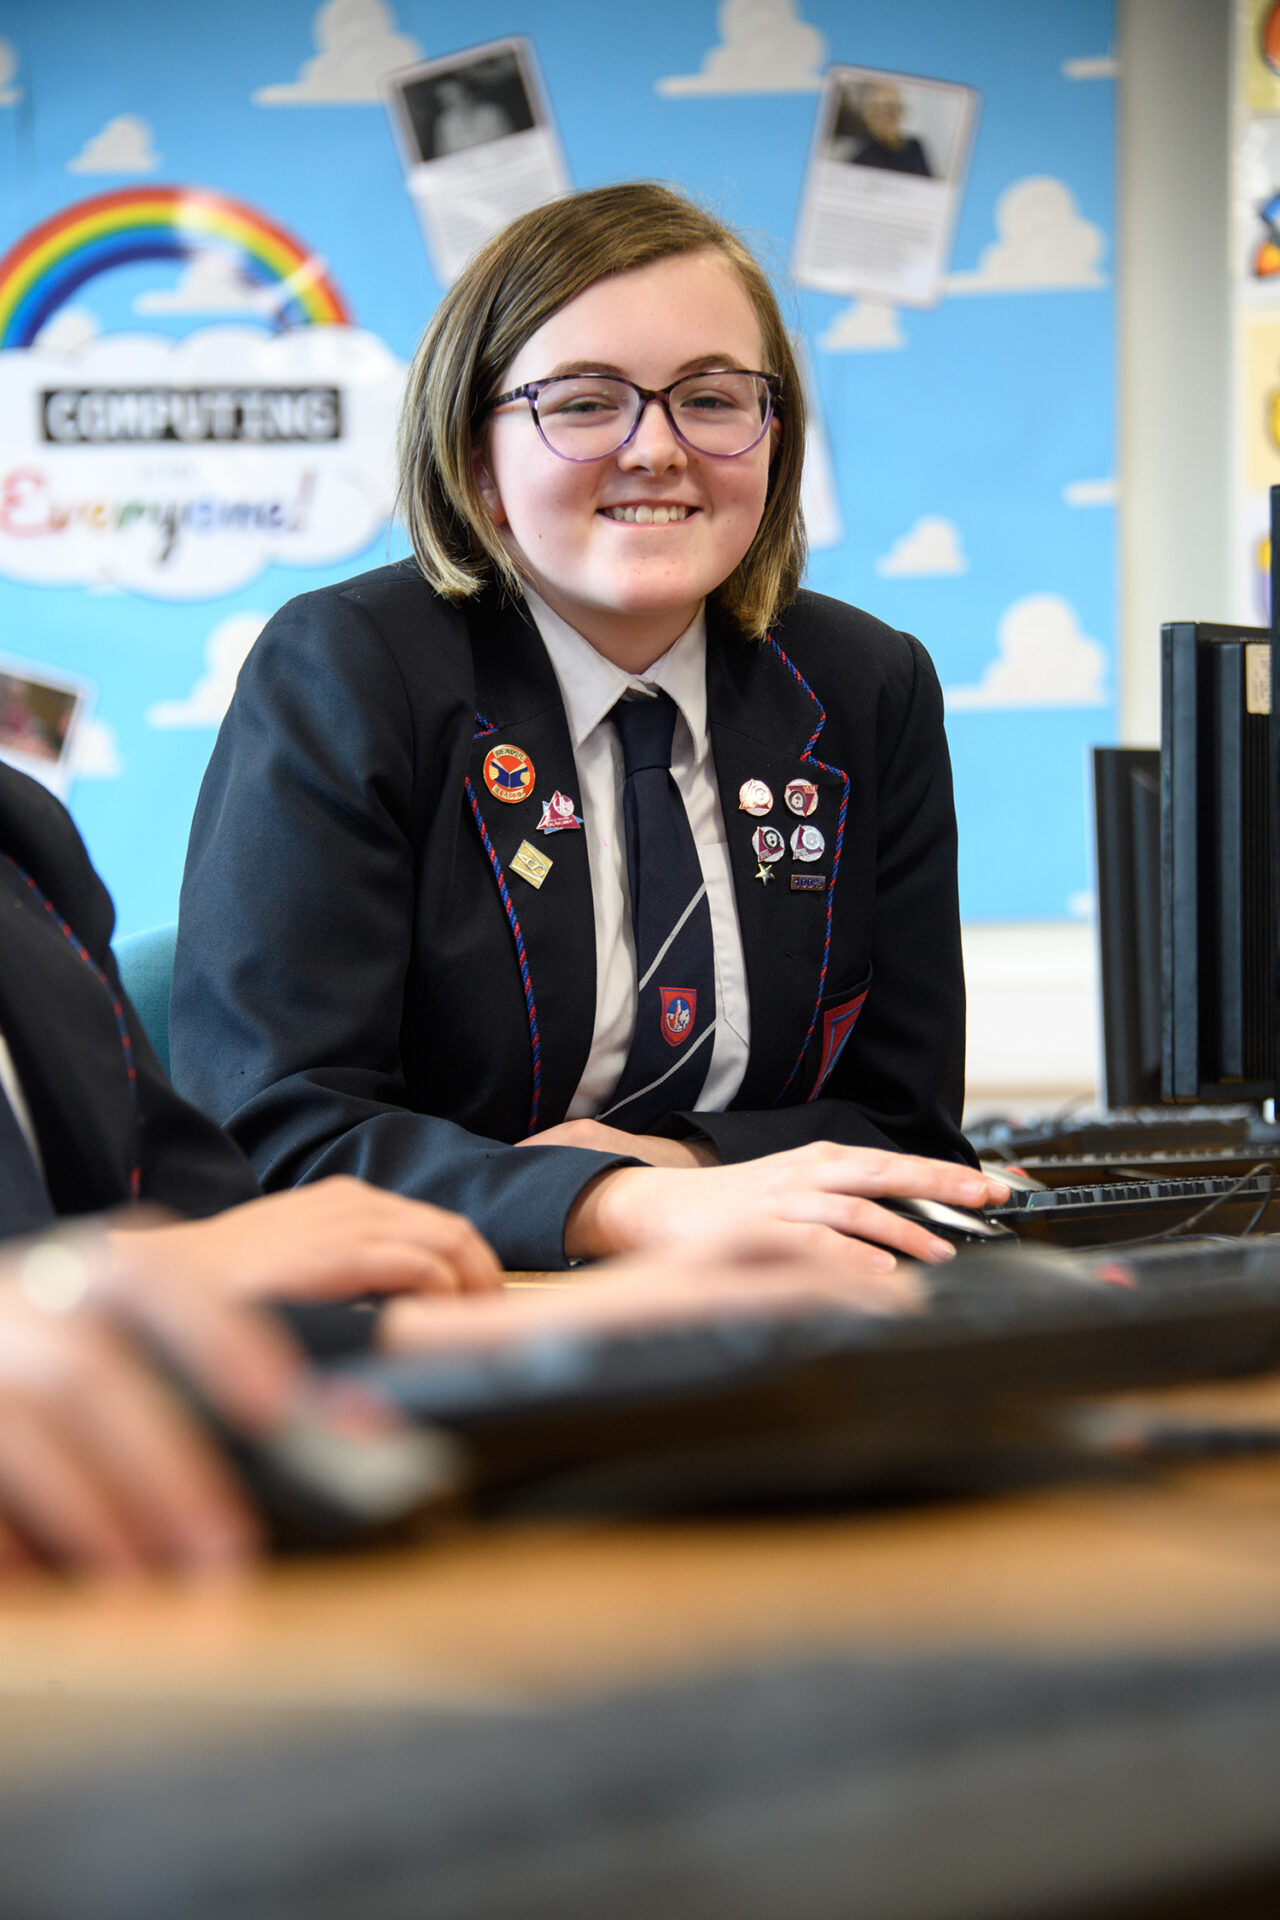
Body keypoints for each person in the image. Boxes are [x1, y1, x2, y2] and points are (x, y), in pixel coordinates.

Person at [172, 182, 1006, 1277]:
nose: (657, 448)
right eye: (580, 401)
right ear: (475, 452)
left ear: (773, 440)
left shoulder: (864, 685)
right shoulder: (348, 670)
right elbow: (269, 1133)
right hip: (447, 1319)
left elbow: (901, 1123)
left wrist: (682, 1173)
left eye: (711, 399)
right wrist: (601, 1207)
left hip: (781, 1311)